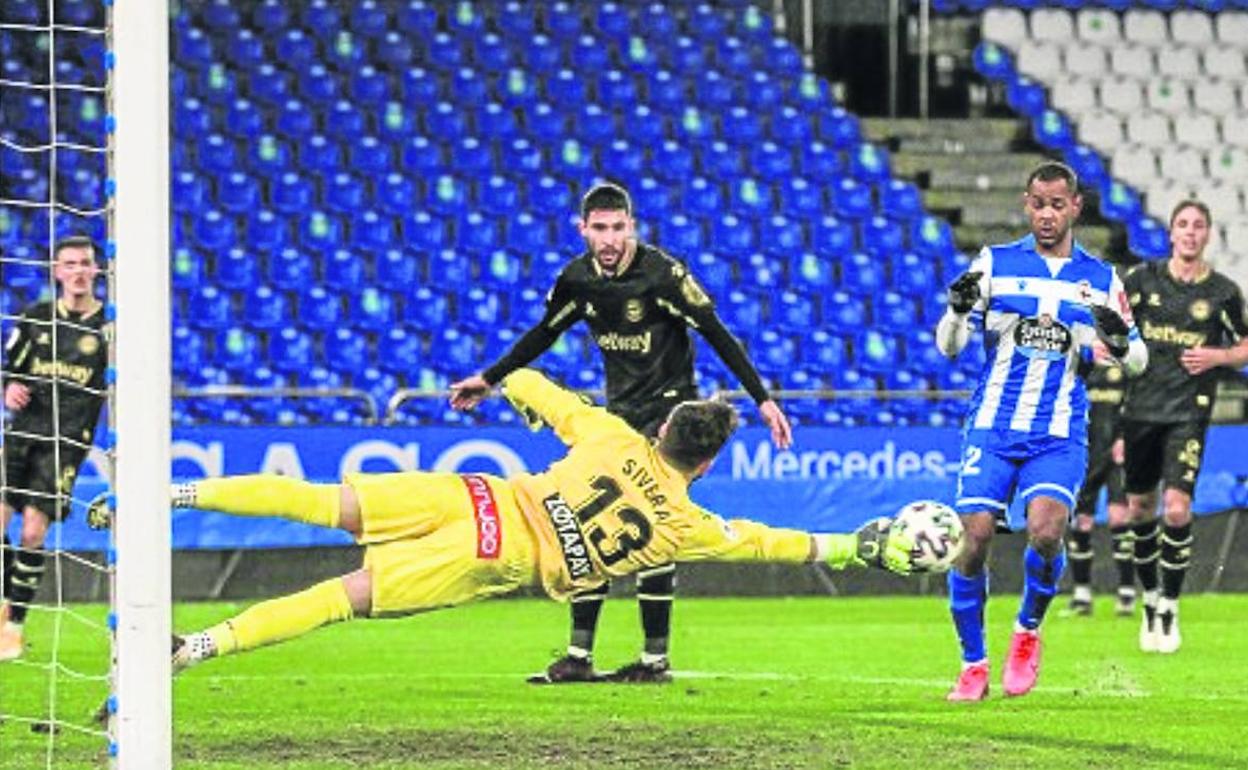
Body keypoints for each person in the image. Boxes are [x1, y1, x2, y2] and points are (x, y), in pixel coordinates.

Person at [159, 368, 911, 675]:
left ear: (663, 429)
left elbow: (534, 385)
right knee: (340, 598)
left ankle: (177, 493)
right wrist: (855, 548)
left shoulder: (612, 434)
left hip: (481, 496)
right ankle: (194, 647)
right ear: (706, 465)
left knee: (323, 500)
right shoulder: (686, 523)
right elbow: (771, 544)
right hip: (497, 553)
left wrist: (502, 383)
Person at [449, 182, 792, 684]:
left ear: (631, 226)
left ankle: (654, 660)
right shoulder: (578, 280)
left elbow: (715, 331)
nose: (609, 239)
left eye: (618, 227)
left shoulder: (664, 274)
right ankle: (578, 657)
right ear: (582, 229)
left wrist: (761, 398)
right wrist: (491, 377)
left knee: (655, 525)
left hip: (671, 416)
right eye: (599, 229)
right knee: (590, 529)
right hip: (620, 416)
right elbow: (545, 332)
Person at [934, 161, 1148, 702]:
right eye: (1037, 203)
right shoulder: (995, 265)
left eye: (1057, 204)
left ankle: (1027, 632)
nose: (1046, 214)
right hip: (993, 427)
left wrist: (1119, 340)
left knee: (1048, 533)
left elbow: (1139, 360)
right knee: (974, 539)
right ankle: (973, 662)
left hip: (1058, 432)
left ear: (1076, 206)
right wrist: (959, 313)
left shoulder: (1100, 279)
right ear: (1025, 205)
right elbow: (950, 346)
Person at [1119, 199, 1248, 654]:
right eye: (1183, 225)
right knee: (1140, 511)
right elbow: (1113, 327)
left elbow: (1245, 344)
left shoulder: (1223, 293)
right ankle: (1150, 598)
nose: (1190, 232)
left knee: (1176, 510)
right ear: (1171, 233)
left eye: (1198, 226)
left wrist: (1219, 356)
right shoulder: (1140, 281)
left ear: (1208, 235)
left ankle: (1170, 607)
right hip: (1138, 414)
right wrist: (1106, 347)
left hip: (1188, 414)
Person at [1, 235, 109, 661]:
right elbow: (13, 372)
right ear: (57, 271)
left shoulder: (109, 328)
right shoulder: (35, 318)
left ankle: (13, 626)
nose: (79, 271)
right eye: (70, 264)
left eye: (85, 262)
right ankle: (4, 605)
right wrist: (11, 388)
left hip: (65, 443)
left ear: (97, 270)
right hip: (23, 433)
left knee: (31, 531)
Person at [1063, 358, 1136, 617]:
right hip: (1086, 453)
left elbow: (1137, 404)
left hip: (1117, 454)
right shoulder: (1080, 364)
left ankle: (1127, 593)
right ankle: (1082, 595)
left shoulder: (1126, 365)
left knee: (1119, 519)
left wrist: (1127, 437)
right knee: (1081, 522)